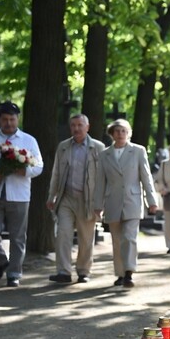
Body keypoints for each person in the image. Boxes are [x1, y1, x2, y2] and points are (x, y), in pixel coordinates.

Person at [0, 101, 43, 287]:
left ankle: (14, 273)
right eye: (5, 119)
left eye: (12, 119)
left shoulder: (28, 140)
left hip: (19, 194)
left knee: (18, 236)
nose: (9, 123)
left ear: (17, 119)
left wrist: (24, 171)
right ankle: (0, 261)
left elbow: (39, 166)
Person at [94, 119, 157, 288]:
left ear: (128, 133)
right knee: (117, 240)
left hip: (132, 200)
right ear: (112, 134)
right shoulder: (105, 154)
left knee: (129, 237)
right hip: (112, 201)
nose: (120, 134)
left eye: (123, 131)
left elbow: (146, 177)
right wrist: (97, 205)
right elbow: (100, 181)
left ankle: (129, 272)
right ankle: (120, 273)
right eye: (117, 131)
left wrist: (152, 201)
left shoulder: (138, 151)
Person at [45, 114, 106, 284]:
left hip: (89, 200)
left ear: (88, 127)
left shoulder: (99, 148)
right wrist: (52, 196)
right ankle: (63, 272)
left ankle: (83, 271)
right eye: (73, 125)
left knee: (86, 238)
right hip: (66, 198)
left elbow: (104, 177)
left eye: (80, 125)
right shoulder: (63, 147)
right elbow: (56, 173)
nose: (76, 128)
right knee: (63, 233)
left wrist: (101, 202)